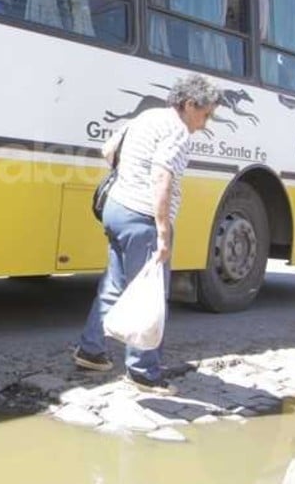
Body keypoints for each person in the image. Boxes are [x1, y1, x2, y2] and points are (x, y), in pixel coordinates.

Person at [73, 73, 221, 395]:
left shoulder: (147, 116)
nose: (205, 124)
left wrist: (129, 177)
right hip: (142, 218)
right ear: (189, 104)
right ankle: (143, 372)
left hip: (116, 209)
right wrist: (163, 231)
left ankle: (91, 351)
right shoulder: (178, 132)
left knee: (115, 285)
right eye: (205, 114)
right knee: (150, 293)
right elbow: (161, 178)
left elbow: (107, 150)